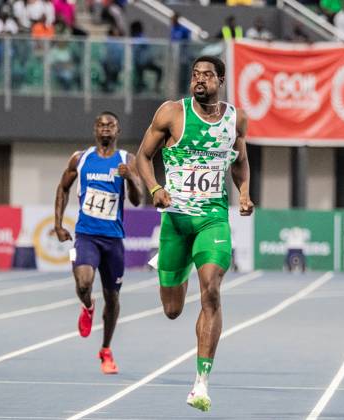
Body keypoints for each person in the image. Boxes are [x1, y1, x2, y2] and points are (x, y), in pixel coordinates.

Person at [136, 55, 253, 411]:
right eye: (195, 74)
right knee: (172, 309)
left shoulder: (236, 118)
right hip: (175, 220)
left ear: (220, 80)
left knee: (212, 292)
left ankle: (201, 383)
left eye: (207, 75)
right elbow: (143, 156)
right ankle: (176, 263)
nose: (199, 80)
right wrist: (155, 189)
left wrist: (244, 192)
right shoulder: (172, 113)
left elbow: (241, 160)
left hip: (212, 219)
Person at [55, 111, 142, 374]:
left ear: (118, 130)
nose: (106, 129)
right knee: (83, 283)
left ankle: (105, 349)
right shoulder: (81, 159)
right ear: (95, 130)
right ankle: (88, 306)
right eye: (101, 125)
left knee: (112, 299)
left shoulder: (127, 160)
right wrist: (57, 224)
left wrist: (131, 179)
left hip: (113, 240)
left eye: (111, 125)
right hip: (86, 235)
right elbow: (63, 187)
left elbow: (137, 200)